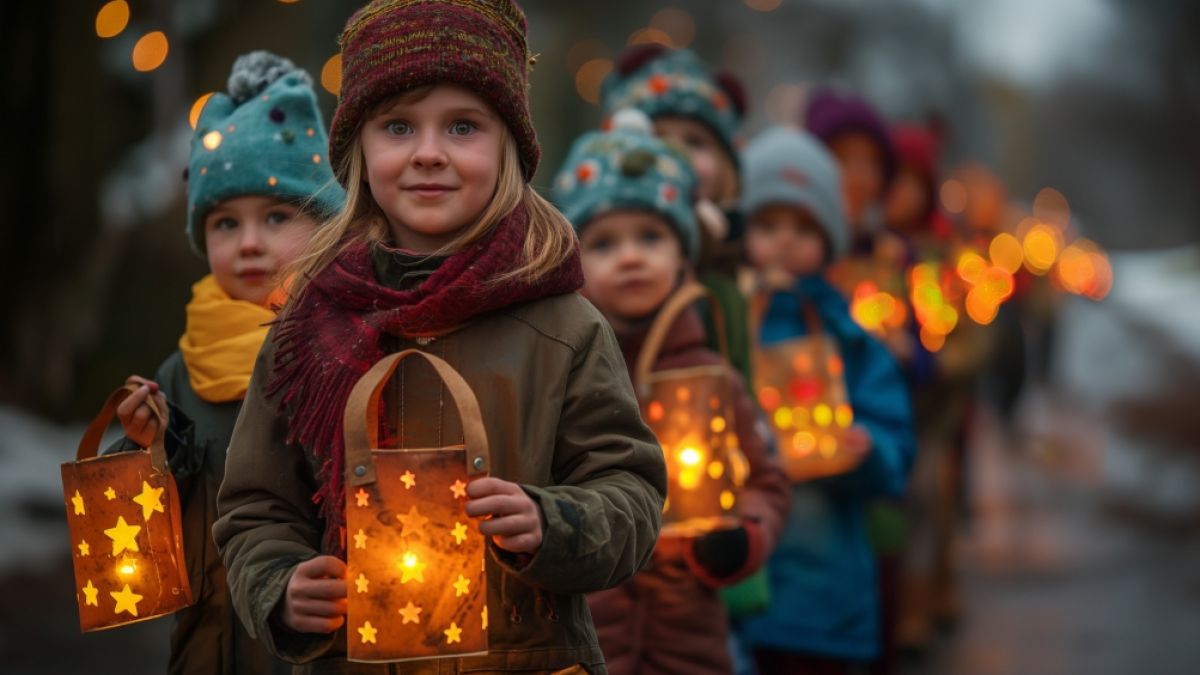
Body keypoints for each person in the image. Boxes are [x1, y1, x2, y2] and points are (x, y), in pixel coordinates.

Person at [212, 2, 667, 672]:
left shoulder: (564, 326)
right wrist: (280, 584)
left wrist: (553, 522)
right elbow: (255, 505)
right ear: (359, 148)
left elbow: (629, 489)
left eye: (462, 126)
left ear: (507, 143)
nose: (429, 153)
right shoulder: (307, 328)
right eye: (398, 126)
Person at [112, 51, 344, 675]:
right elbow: (143, 537)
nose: (247, 243)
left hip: (321, 643)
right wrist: (147, 452)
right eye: (223, 223)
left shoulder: (348, 346)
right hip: (212, 642)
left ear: (326, 225)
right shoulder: (182, 369)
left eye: (276, 216)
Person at [553, 111, 789, 675]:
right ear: (576, 262)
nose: (631, 256)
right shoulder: (561, 376)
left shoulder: (714, 377)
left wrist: (743, 537)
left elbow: (766, 480)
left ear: (684, 255)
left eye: (651, 236)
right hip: (587, 641)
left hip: (691, 640)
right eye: (605, 242)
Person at [736, 126, 915, 675]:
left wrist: (869, 450)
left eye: (803, 227)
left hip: (827, 583)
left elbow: (895, 437)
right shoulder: (725, 324)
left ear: (830, 237)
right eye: (768, 225)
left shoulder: (849, 335)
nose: (785, 241)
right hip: (741, 582)